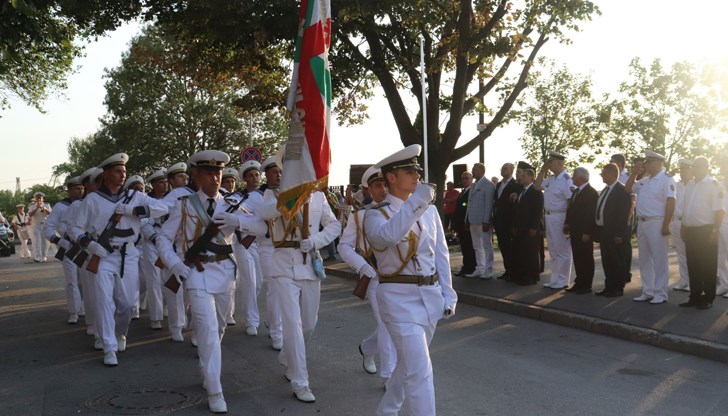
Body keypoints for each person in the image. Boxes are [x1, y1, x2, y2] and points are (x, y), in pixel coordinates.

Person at [158, 150, 262, 413]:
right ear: (196, 175)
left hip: (225, 273)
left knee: (219, 327)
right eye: (208, 172)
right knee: (206, 330)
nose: (215, 178)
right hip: (197, 272)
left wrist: (238, 220)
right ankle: (215, 389)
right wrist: (175, 263)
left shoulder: (232, 203)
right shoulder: (184, 205)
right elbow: (162, 238)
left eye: (218, 172)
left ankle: (208, 368)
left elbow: (261, 227)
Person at [364, 144, 457, 416]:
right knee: (420, 370)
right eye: (409, 172)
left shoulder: (429, 211)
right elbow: (386, 238)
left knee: (408, 364)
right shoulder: (375, 214)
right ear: (391, 177)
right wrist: (417, 203)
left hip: (430, 298)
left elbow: (441, 255)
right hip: (398, 299)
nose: (417, 176)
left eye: (417, 171)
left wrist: (448, 293)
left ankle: (386, 410)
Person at [71, 153, 168, 367]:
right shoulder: (92, 199)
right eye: (118, 170)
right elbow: (74, 227)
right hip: (103, 254)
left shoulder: (134, 196)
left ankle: (120, 333)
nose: (122, 174)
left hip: (130, 253)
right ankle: (109, 347)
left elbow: (163, 208)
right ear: (105, 174)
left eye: (124, 171)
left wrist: (134, 210)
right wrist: (90, 244)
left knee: (126, 304)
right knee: (104, 301)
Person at [259, 159, 341, 404]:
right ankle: (300, 381)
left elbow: (334, 225)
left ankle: (289, 356)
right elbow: (264, 214)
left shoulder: (317, 197)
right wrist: (289, 197)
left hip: (309, 265)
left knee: (308, 324)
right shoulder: (273, 195)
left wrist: (316, 240)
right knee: (292, 325)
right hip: (283, 265)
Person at [338, 166, 396, 387]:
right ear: (368, 189)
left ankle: (368, 348)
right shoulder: (360, 216)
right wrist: (362, 266)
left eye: (386, 184)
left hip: (399, 278)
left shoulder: (399, 212)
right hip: (375, 277)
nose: (383, 189)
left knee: (391, 324)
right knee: (386, 323)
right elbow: (344, 247)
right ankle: (389, 375)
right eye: (377, 185)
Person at [625, 150, 676, 304]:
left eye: (648, 162)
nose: (645, 164)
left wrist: (666, 224)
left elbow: (671, 202)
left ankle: (660, 293)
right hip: (642, 223)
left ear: (658, 164)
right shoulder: (645, 181)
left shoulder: (667, 179)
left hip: (657, 222)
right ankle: (648, 291)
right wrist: (634, 173)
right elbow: (627, 189)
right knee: (644, 259)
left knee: (659, 259)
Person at [679, 157, 725, 310]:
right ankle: (695, 296)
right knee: (693, 265)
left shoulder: (714, 185)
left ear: (706, 168)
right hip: (691, 230)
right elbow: (687, 208)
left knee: (708, 265)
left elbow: (719, 211)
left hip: (706, 230)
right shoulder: (690, 185)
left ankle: (708, 298)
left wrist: (715, 230)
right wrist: (683, 226)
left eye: (698, 167)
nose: (695, 170)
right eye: (694, 167)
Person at [161, 161, 195, 343]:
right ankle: (176, 325)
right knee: (176, 289)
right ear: (172, 180)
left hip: (196, 249)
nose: (185, 178)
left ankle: (185, 321)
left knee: (191, 289)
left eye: (186, 175)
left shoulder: (198, 193)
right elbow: (160, 210)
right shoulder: (176, 194)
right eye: (181, 176)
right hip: (178, 248)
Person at [253, 155, 285, 351]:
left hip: (287, 248)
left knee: (283, 290)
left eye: (281, 172)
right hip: (267, 247)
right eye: (274, 172)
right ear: (266, 176)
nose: (279, 175)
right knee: (274, 288)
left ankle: (275, 322)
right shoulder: (263, 196)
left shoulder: (289, 192)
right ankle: (277, 331)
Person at [44, 176, 85, 323]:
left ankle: (84, 307)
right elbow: (48, 228)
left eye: (82, 188)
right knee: (71, 280)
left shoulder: (87, 203)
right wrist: (59, 241)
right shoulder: (60, 207)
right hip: (69, 247)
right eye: (76, 188)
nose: (80, 191)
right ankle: (74, 311)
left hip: (86, 247)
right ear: (69, 190)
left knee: (84, 280)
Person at [232, 159, 265, 337]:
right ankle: (252, 321)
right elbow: (235, 218)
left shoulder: (265, 195)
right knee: (250, 282)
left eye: (257, 175)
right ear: (245, 178)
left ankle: (247, 305)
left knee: (258, 282)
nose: (254, 178)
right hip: (243, 243)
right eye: (251, 175)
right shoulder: (238, 197)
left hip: (260, 243)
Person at [535, 151, 573, 290]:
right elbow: (537, 186)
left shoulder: (567, 179)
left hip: (560, 216)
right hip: (550, 216)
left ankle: (563, 280)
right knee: (553, 249)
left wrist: (568, 221)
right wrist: (542, 170)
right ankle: (555, 278)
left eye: (550, 162)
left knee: (562, 249)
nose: (548, 165)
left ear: (558, 163)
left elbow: (570, 201)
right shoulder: (551, 179)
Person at [594, 163, 632, 297]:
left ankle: (617, 288)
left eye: (603, 174)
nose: (602, 176)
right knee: (607, 261)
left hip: (615, 232)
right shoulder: (606, 189)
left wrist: (619, 234)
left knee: (617, 261)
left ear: (611, 174)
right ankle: (609, 286)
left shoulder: (621, 190)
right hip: (604, 231)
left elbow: (624, 214)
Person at [139, 168, 168, 331]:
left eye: (165, 181)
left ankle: (166, 306)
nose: (163, 185)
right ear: (154, 185)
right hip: (152, 243)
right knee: (154, 279)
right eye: (160, 182)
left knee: (168, 277)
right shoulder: (146, 200)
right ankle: (156, 317)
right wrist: (155, 238)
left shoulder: (172, 199)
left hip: (169, 242)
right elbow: (143, 222)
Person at [563, 167, 598, 294]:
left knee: (586, 257)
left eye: (574, 176)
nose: (572, 178)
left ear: (581, 177)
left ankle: (586, 284)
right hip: (575, 230)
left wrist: (587, 232)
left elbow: (590, 214)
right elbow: (571, 209)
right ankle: (579, 282)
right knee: (577, 257)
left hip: (584, 231)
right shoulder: (576, 192)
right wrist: (567, 223)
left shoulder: (591, 193)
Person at [510, 161, 544, 286]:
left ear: (530, 177)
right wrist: (514, 225)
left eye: (523, 176)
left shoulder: (536, 191)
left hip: (530, 227)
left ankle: (532, 276)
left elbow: (537, 211)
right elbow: (517, 211)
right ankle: (522, 275)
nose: (521, 178)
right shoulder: (521, 191)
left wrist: (534, 226)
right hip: (520, 227)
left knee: (531, 253)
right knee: (522, 252)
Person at [466, 162, 496, 279]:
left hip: (483, 221)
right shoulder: (473, 185)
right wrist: (467, 219)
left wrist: (487, 221)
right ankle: (480, 268)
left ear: (482, 171)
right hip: (473, 220)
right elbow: (469, 204)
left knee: (487, 246)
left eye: (474, 169)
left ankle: (488, 270)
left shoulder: (488, 184)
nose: (473, 171)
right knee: (477, 246)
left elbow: (489, 204)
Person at [493, 163, 521, 280]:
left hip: (509, 220)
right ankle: (507, 270)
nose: (503, 170)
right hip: (499, 220)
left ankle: (513, 271)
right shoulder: (499, 184)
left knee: (510, 247)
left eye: (505, 169)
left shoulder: (515, 185)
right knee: (503, 246)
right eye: (502, 168)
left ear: (511, 171)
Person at [610, 153, 635, 282]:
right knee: (617, 247)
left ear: (619, 164)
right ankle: (619, 273)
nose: (610, 163)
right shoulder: (613, 178)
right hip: (615, 217)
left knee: (624, 245)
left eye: (612, 161)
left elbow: (631, 199)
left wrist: (628, 218)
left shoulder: (625, 177)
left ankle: (626, 273)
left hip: (625, 216)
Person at [671, 159, 693, 292]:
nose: (682, 172)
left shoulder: (695, 185)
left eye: (685, 170)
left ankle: (693, 281)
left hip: (689, 223)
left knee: (691, 253)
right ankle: (684, 279)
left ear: (691, 170)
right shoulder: (677, 185)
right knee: (680, 254)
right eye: (681, 170)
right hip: (676, 222)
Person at [453, 171, 476, 276]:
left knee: (469, 247)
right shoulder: (462, 192)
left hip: (468, 224)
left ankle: (470, 267)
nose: (464, 180)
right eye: (463, 178)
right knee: (464, 248)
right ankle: (466, 267)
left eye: (467, 178)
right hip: (461, 224)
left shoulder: (472, 191)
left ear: (471, 179)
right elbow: (458, 209)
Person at [28, 192, 52, 262]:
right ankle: (38, 257)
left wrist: (44, 208)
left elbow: (51, 213)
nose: (39, 199)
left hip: (44, 224)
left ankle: (43, 256)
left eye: (40, 198)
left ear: (42, 199)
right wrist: (36, 208)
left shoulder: (47, 205)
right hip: (36, 225)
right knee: (37, 241)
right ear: (35, 199)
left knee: (45, 241)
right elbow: (30, 215)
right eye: (37, 198)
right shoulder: (32, 206)